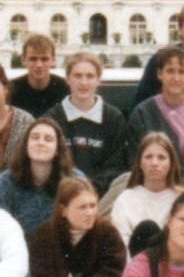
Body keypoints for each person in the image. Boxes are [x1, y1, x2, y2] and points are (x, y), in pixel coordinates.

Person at [126, 45, 184, 198]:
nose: (176, 78)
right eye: (170, 71)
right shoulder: (142, 113)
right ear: (159, 74)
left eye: (182, 72)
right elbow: (133, 161)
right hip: (149, 196)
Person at [48, 52, 130, 192]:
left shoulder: (114, 118)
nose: (84, 82)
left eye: (90, 76)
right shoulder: (52, 118)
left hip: (102, 197)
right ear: (68, 79)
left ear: (98, 80)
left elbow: (116, 166)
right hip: (61, 196)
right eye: (77, 76)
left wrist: (91, 189)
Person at [98, 133, 184, 251]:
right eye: (148, 157)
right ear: (140, 162)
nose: (154, 163)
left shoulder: (183, 201)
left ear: (171, 163)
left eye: (161, 157)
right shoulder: (125, 199)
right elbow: (121, 245)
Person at [0, 117, 82, 234]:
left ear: (57, 149)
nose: (40, 143)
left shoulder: (75, 180)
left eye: (48, 139)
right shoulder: (6, 181)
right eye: (35, 138)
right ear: (26, 145)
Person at [10, 33, 71, 117]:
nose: (39, 65)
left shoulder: (66, 89)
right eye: (33, 59)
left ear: (53, 60)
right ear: (23, 60)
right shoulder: (11, 90)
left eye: (44, 59)